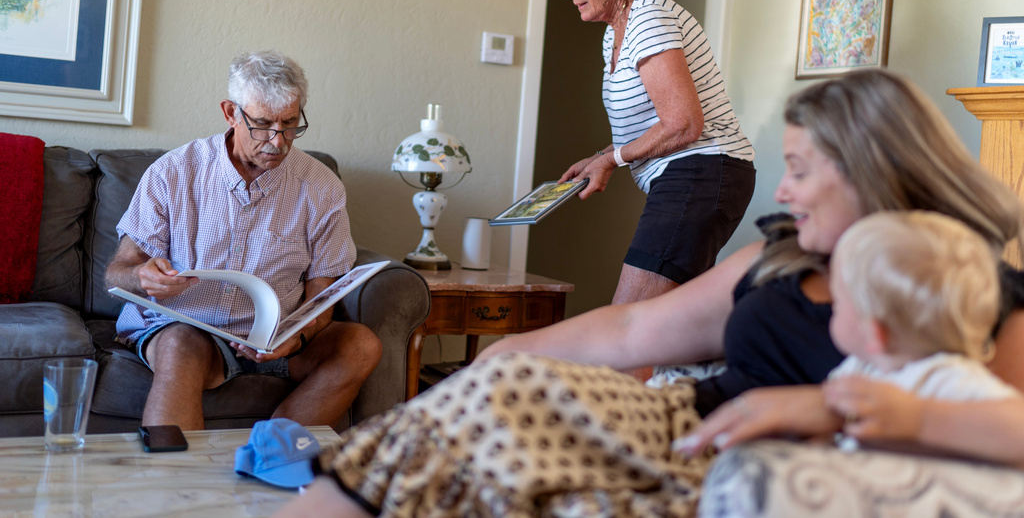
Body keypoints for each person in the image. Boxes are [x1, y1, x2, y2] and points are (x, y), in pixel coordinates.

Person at [273, 69, 1024, 517]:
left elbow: (1004, 431)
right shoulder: (785, 255)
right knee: (492, 394)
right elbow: (631, 336)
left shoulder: (975, 288)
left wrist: (828, 409)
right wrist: (499, 357)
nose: (784, 189)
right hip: (679, 416)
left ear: (865, 169)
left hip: (749, 466)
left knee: (498, 434)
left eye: (799, 168)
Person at [105, 50, 382, 431]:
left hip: (275, 335)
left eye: (290, 124)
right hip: (188, 328)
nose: (277, 140)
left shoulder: (321, 187)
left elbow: (323, 292)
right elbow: (117, 272)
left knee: (360, 345)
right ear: (230, 113)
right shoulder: (173, 172)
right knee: (180, 346)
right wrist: (142, 277)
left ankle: (268, 454)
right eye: (263, 123)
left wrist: (297, 336)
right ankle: (173, 484)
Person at [675, 210, 1021, 460]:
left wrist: (915, 417)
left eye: (838, 301)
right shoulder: (856, 370)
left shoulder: (946, 378)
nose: (829, 306)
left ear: (874, 333)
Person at [555, 0, 756, 307]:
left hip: (702, 170)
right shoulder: (614, 33)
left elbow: (683, 124)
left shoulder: (648, 17)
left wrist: (611, 160)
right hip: (691, 175)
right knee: (663, 321)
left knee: (630, 320)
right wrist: (600, 159)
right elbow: (648, 123)